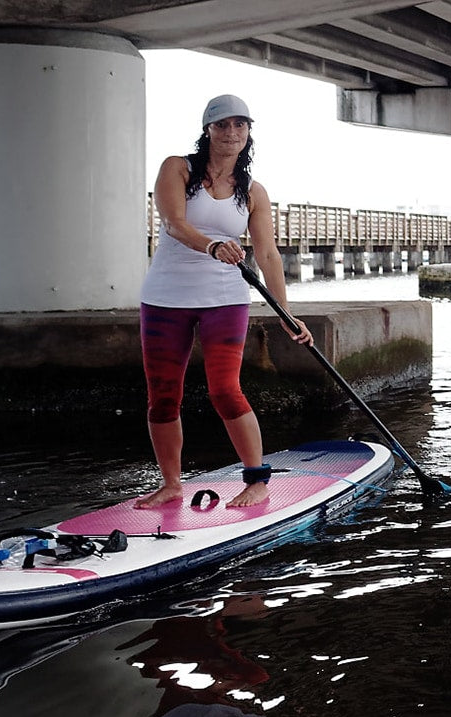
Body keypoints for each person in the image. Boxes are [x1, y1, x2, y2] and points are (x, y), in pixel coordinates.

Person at [135, 94, 312, 510]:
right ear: (207, 130)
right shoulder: (177, 168)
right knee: (162, 396)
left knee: (225, 389)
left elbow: (267, 255)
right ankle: (171, 485)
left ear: (248, 133)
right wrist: (213, 245)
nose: (231, 133)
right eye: (222, 125)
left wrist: (285, 313)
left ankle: (256, 480)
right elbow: (175, 224)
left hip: (225, 300)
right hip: (165, 298)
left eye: (240, 125)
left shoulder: (252, 191)